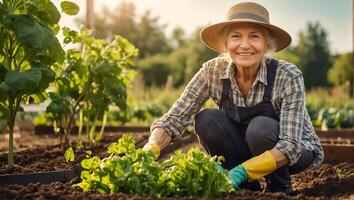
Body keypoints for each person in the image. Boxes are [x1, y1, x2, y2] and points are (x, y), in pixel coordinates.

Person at [143, 2, 324, 194]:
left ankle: (279, 188)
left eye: (254, 37)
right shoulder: (212, 71)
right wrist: (150, 149)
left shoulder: (287, 75)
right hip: (248, 146)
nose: (244, 45)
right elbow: (175, 118)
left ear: (267, 44)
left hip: (296, 151)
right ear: (226, 44)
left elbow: (291, 146)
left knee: (260, 128)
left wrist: (242, 171)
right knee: (206, 119)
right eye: (236, 36)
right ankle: (246, 187)